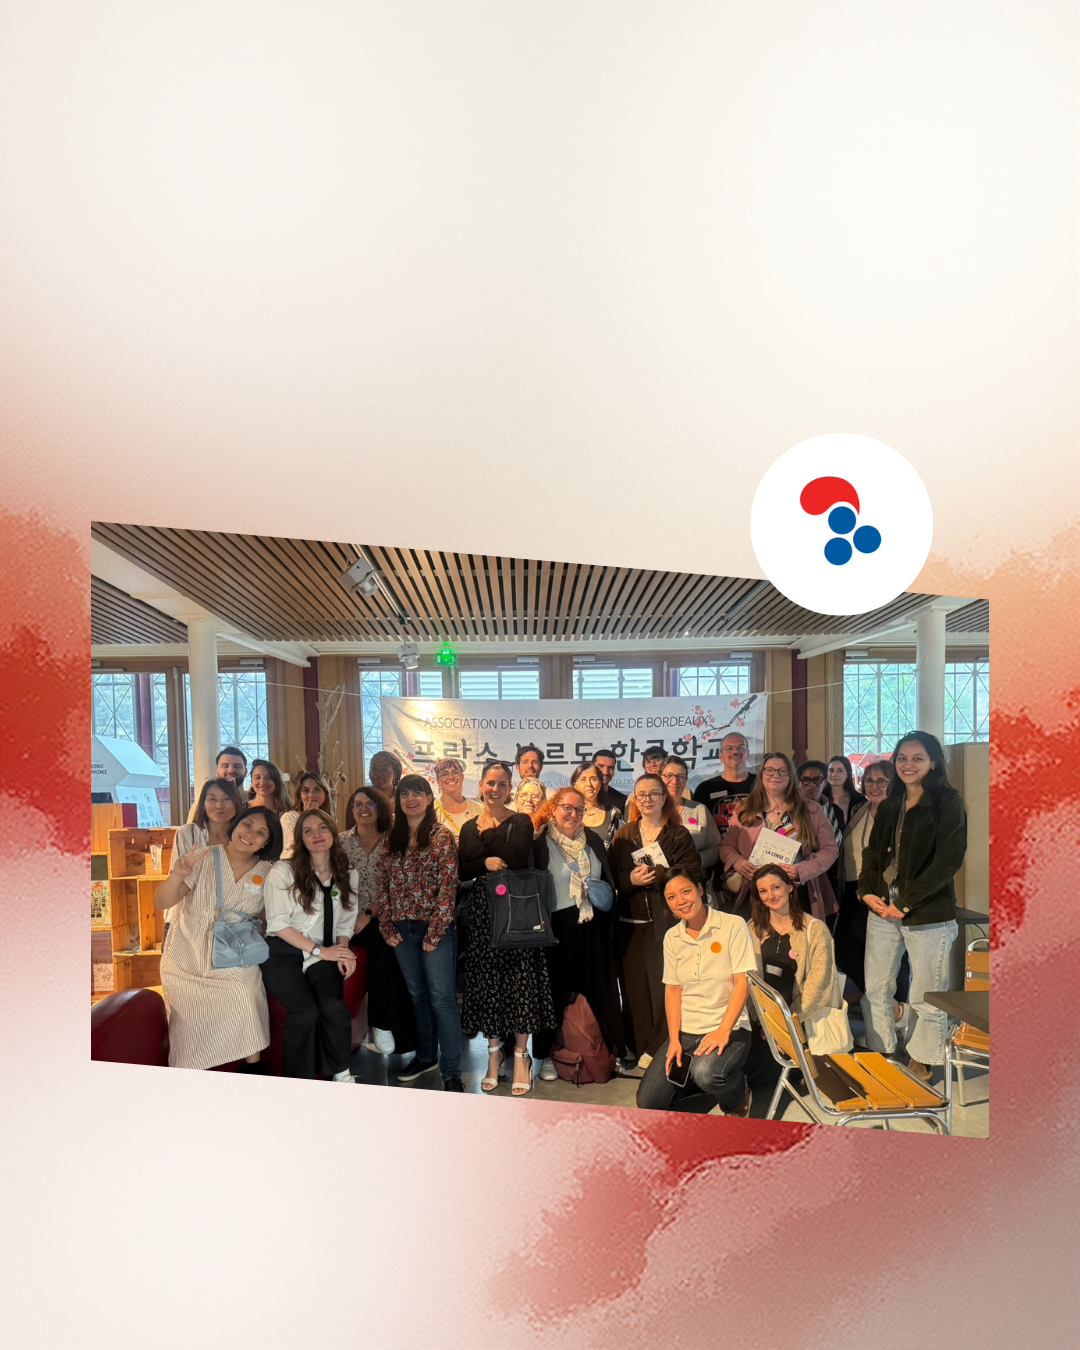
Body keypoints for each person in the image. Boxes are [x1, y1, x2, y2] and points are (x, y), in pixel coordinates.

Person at [858, 731, 967, 1083]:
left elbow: (948, 862)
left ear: (933, 762)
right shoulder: (891, 804)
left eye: (917, 758)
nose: (908, 764)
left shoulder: (948, 803)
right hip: (882, 911)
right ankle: (882, 1052)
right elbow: (872, 854)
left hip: (927, 914)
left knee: (925, 992)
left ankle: (923, 1058)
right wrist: (865, 891)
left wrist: (905, 902)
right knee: (876, 988)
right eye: (902, 758)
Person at [154, 806, 283, 1071]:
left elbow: (272, 918)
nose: (250, 834)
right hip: (187, 956)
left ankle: (254, 1067)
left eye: (261, 833)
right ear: (236, 825)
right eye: (248, 824)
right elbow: (161, 902)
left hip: (234, 955)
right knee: (188, 1020)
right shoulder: (203, 858)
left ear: (266, 843)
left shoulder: (269, 872)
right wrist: (178, 874)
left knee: (245, 993)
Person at [459, 760, 554, 1096]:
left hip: (518, 912)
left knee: (521, 982)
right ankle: (494, 1054)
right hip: (484, 914)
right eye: (490, 783)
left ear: (509, 789)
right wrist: (483, 862)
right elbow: (462, 868)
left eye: (502, 784)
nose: (495, 789)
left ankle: (521, 1056)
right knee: (490, 984)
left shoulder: (520, 822)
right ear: (480, 786)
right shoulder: (468, 826)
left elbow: (516, 858)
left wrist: (489, 835)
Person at [635, 868, 754, 1116]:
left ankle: (737, 1094)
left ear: (700, 890)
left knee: (707, 1074)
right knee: (648, 1102)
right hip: (687, 1032)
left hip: (729, 1027)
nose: (681, 901)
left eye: (686, 891)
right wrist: (674, 1040)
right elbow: (673, 989)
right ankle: (695, 1079)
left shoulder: (733, 925)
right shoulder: (672, 937)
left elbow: (742, 983)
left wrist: (723, 1031)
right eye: (671, 897)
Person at [529, 788, 624, 1081]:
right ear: (553, 808)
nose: (573, 814)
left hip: (593, 926)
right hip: (556, 930)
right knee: (554, 993)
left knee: (598, 990)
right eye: (567, 808)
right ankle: (549, 1055)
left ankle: (605, 1050)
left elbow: (606, 877)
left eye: (579, 809)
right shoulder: (539, 843)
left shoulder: (592, 839)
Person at [378, 774, 464, 1091]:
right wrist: (386, 925)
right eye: (405, 794)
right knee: (418, 997)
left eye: (418, 793)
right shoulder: (392, 840)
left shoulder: (441, 837)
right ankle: (426, 1056)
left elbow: (448, 887)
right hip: (401, 929)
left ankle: (452, 1072)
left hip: (434, 929)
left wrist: (436, 931)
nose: (411, 799)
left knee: (443, 1000)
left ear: (429, 799)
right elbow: (383, 887)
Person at [261, 809, 359, 1081]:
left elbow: (346, 920)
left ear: (333, 832)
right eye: (308, 831)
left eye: (322, 828)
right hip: (284, 952)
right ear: (300, 839)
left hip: (323, 952)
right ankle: (299, 1083)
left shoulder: (348, 873)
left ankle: (341, 1073)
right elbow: (278, 924)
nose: (317, 835)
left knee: (333, 1007)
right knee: (305, 1013)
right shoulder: (283, 872)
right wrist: (320, 951)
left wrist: (343, 950)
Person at [609, 774, 700, 1067]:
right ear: (635, 800)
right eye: (642, 795)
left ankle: (660, 1046)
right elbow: (612, 876)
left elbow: (691, 873)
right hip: (629, 923)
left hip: (666, 923)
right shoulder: (624, 835)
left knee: (664, 988)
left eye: (654, 794)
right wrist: (630, 879)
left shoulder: (678, 834)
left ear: (664, 799)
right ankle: (636, 1045)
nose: (647, 800)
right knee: (634, 989)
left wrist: (656, 875)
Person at [340, 786, 415, 1057]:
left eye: (370, 804)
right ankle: (379, 1024)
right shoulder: (340, 842)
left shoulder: (393, 842)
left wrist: (370, 912)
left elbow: (399, 885)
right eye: (358, 804)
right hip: (344, 917)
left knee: (386, 947)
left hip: (382, 915)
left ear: (380, 810)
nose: (363, 809)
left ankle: (384, 1026)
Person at [719, 752, 839, 922]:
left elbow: (830, 850)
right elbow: (726, 846)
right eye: (770, 770)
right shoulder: (744, 809)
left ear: (791, 776)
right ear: (762, 775)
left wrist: (802, 870)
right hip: (755, 892)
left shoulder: (811, 809)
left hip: (795, 892)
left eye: (782, 771)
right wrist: (737, 861)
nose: (776, 775)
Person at [835, 759, 895, 998]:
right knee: (846, 950)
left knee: (886, 955)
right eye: (869, 781)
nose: (874, 786)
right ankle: (872, 1001)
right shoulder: (862, 809)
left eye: (881, 781)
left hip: (879, 891)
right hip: (854, 889)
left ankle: (896, 1007)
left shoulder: (897, 812)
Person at [660, 756, 721, 887]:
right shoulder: (652, 811)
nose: (675, 781)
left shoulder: (699, 810)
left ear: (686, 780)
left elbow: (716, 847)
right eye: (669, 776)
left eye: (680, 776)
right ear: (660, 778)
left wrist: (698, 859)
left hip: (694, 882)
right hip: (659, 883)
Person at [692, 732, 757, 850]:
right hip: (716, 856)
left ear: (748, 754)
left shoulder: (761, 784)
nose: (735, 751)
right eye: (729, 748)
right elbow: (695, 826)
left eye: (740, 747)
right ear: (720, 757)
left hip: (754, 853)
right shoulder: (705, 789)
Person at [172, 778, 246, 860]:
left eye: (227, 799)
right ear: (203, 805)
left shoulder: (245, 836)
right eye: (212, 799)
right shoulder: (187, 833)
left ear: (237, 803)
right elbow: (176, 867)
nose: (219, 805)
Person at [184, 746, 248, 822]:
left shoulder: (254, 800)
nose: (231, 770)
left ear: (246, 772)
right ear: (217, 772)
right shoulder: (202, 804)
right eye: (225, 766)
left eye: (237, 766)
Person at [279, 771, 334, 859]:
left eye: (317, 789)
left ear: (325, 793)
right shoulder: (288, 817)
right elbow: (297, 848)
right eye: (306, 791)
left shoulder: (328, 817)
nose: (311, 795)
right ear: (300, 795)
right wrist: (308, 816)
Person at [570, 762, 623, 847]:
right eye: (583, 779)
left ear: (600, 784)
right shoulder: (567, 813)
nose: (589, 784)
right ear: (574, 784)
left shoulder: (614, 814)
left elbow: (622, 845)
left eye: (593, 779)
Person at [796, 760, 844, 850]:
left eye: (817, 779)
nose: (812, 784)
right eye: (806, 780)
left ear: (825, 782)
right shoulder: (793, 810)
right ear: (798, 784)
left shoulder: (836, 811)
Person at [431, 758, 483, 839]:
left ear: (462, 777)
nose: (451, 777)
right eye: (444, 774)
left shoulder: (480, 809)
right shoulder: (431, 811)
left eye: (455, 773)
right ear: (438, 780)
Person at [823, 755, 866, 830]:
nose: (834, 774)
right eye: (831, 770)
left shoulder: (859, 800)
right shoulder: (820, 798)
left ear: (848, 774)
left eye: (840, 770)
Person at [591, 749, 627, 814]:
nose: (606, 772)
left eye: (610, 768)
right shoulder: (579, 797)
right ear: (591, 767)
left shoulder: (622, 800)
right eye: (601, 766)